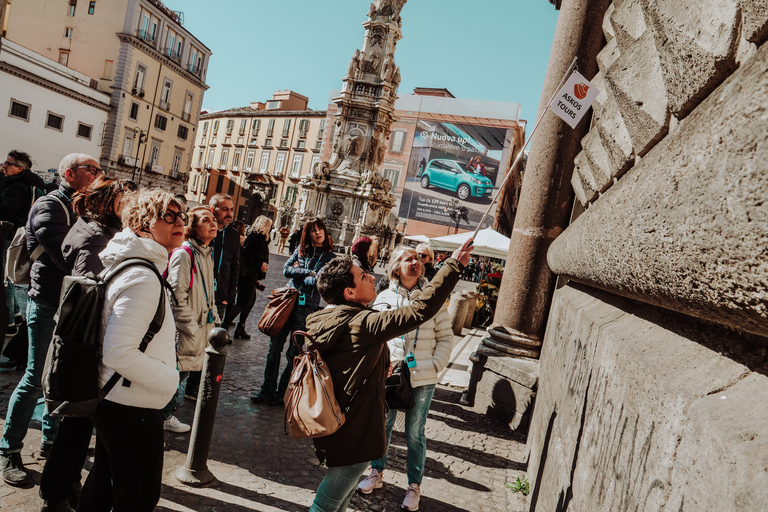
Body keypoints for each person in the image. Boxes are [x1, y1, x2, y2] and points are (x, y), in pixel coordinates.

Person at [303, 238, 473, 512]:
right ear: (349, 292)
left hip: (343, 421)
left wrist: (381, 367)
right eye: (362, 276)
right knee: (326, 504)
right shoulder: (362, 322)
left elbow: (350, 362)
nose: (371, 276)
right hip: (355, 428)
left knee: (341, 499)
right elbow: (420, 310)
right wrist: (452, 266)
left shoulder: (331, 316)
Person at [76, 188, 184, 512]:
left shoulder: (137, 266)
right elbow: (119, 352)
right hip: (130, 405)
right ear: (142, 226)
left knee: (104, 485)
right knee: (138, 497)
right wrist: (170, 379)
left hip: (119, 399)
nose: (179, 221)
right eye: (169, 215)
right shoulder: (143, 277)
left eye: (181, 215)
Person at [0, 153, 100, 487]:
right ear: (69, 173)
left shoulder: (84, 208)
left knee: (60, 379)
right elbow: (66, 256)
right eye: (92, 169)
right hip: (46, 302)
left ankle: (49, 441)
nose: (98, 174)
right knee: (34, 379)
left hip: (72, 303)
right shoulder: (50, 205)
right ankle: (9, 449)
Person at [39, 177, 134, 511]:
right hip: (84, 343)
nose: (132, 203)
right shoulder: (97, 237)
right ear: (109, 201)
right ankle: (55, 494)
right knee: (75, 426)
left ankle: (66, 487)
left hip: (85, 342)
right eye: (126, 197)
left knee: (78, 426)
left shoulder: (97, 230)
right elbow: (87, 292)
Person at [358, 246, 454, 509]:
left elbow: (446, 336)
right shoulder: (384, 297)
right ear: (396, 267)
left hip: (422, 376)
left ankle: (414, 485)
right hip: (390, 374)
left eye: (418, 258)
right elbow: (374, 336)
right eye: (408, 258)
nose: (416, 261)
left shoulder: (432, 298)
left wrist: (435, 365)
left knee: (415, 432)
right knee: (383, 425)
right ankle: (376, 472)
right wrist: (381, 364)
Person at [251, 218, 335, 406]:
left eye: (320, 228)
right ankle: (266, 390)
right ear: (308, 233)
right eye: (313, 230)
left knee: (293, 354)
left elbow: (318, 282)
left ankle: (282, 394)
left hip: (306, 309)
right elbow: (286, 270)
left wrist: (302, 273)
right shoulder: (301, 250)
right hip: (287, 303)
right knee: (274, 350)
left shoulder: (330, 257)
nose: (318, 232)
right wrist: (309, 272)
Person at [162, 206, 220, 432]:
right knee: (175, 373)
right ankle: (163, 416)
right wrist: (192, 327)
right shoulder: (184, 254)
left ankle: (164, 414)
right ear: (193, 228)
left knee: (181, 372)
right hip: (186, 328)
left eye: (213, 220)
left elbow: (208, 292)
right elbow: (177, 296)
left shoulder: (205, 252)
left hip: (200, 325)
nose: (213, 223)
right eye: (206, 220)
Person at [0, 150, 45, 336]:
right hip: (20, 236)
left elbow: (6, 211)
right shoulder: (30, 183)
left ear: (19, 168)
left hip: (10, 236)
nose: (3, 165)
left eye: (8, 163)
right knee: (9, 277)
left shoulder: (17, 186)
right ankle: (16, 315)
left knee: (5, 279)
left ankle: (8, 322)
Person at [221, 215, 271, 339]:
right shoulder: (258, 237)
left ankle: (240, 327)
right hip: (248, 275)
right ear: (265, 226)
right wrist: (260, 264)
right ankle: (223, 329)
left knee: (250, 302)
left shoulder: (257, 237)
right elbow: (249, 256)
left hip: (251, 275)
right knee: (242, 303)